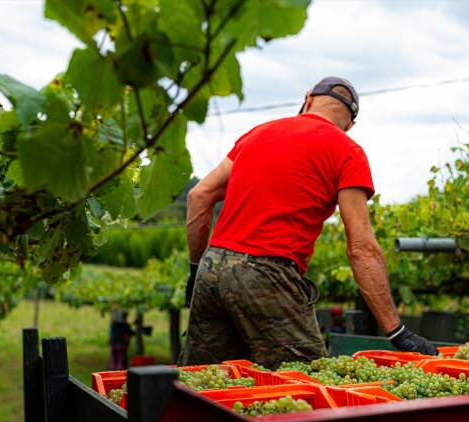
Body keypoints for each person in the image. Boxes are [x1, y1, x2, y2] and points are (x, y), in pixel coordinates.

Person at [181, 77, 437, 369]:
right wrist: (396, 330)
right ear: (350, 124)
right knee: (307, 381)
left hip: (210, 270)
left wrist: (195, 270)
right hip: (267, 273)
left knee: (201, 383)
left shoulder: (256, 134)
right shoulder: (347, 151)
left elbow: (199, 196)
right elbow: (361, 247)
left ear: (308, 99)